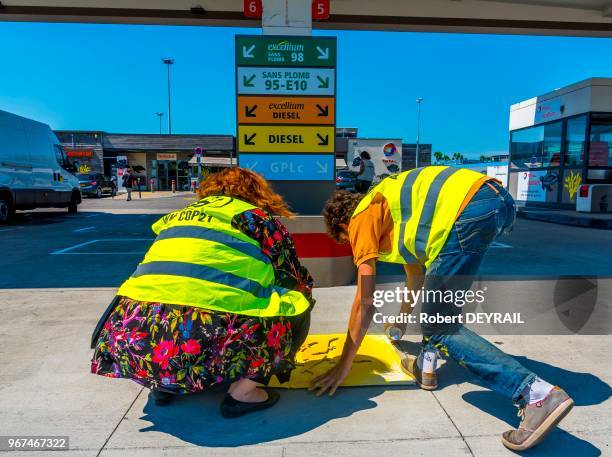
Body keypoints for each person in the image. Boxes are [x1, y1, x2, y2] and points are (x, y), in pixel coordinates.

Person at [315, 165, 573, 452]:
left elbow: (364, 301)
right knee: (438, 313)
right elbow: (415, 277)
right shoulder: (394, 212)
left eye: (347, 241)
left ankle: (536, 394)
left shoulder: (361, 216)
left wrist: (344, 364)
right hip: (494, 200)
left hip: (468, 208)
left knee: (439, 325)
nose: (355, 247)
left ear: (342, 226)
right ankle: (426, 365)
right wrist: (401, 320)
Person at [91, 167, 314, 418]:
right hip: (197, 337)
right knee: (298, 300)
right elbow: (294, 275)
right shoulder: (255, 218)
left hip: (132, 342)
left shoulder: (178, 216)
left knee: (170, 307)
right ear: (257, 192)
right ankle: (243, 393)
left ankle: (162, 385)